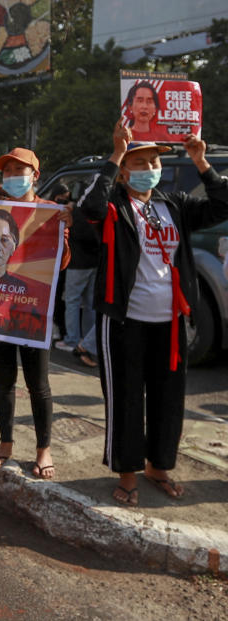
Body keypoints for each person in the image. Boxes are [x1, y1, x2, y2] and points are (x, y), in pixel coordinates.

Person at [77, 120, 228, 506]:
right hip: (125, 320)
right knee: (126, 397)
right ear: (125, 170)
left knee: (168, 396)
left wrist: (201, 163)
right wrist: (115, 152)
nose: (148, 169)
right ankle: (127, 473)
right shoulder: (114, 205)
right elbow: (88, 206)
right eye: (139, 163)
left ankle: (157, 466)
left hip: (171, 320)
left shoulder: (174, 204)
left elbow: (222, 204)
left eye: (153, 162)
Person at [0, 147, 71, 480]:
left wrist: (64, 229)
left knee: (39, 384)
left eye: (21, 171)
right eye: (8, 171)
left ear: (35, 176)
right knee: (3, 380)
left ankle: (43, 449)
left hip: (34, 312)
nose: (14, 177)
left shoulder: (51, 212)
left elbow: (61, 264)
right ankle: (6, 444)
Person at [54, 183, 100, 360]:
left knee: (72, 301)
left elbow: (79, 235)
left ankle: (72, 339)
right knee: (89, 303)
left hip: (78, 263)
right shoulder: (97, 211)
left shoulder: (78, 212)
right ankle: (87, 339)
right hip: (93, 262)